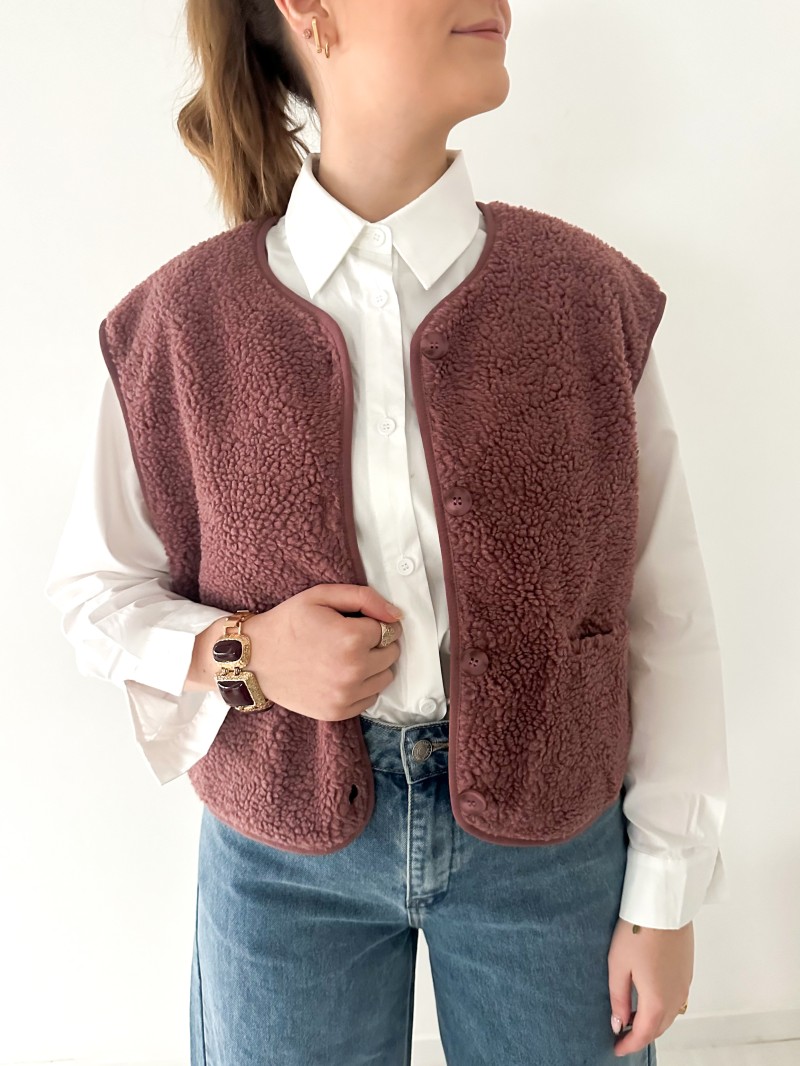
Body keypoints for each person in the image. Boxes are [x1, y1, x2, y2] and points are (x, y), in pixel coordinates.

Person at [45, 2, 730, 1063]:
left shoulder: (586, 301)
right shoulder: (177, 327)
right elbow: (94, 595)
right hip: (282, 863)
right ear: (308, 11)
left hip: (553, 846)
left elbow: (662, 609)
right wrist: (245, 651)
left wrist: (666, 893)